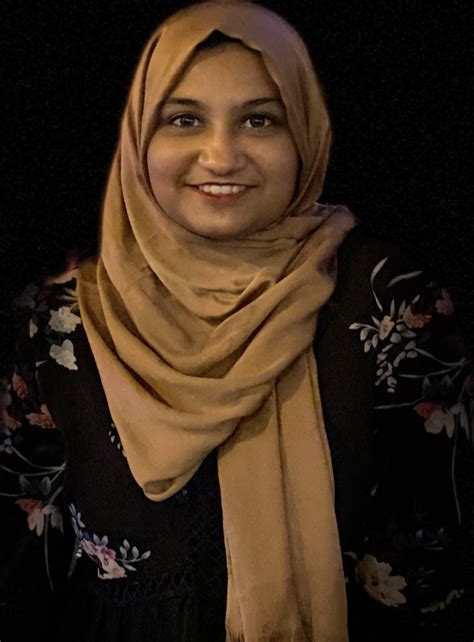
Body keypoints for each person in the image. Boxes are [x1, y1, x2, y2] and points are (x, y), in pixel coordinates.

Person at [0, 1, 471, 641]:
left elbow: (431, 567)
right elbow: (23, 574)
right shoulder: (60, 323)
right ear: (138, 138)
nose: (221, 156)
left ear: (304, 132)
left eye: (259, 119)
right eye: (184, 119)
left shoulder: (387, 301)